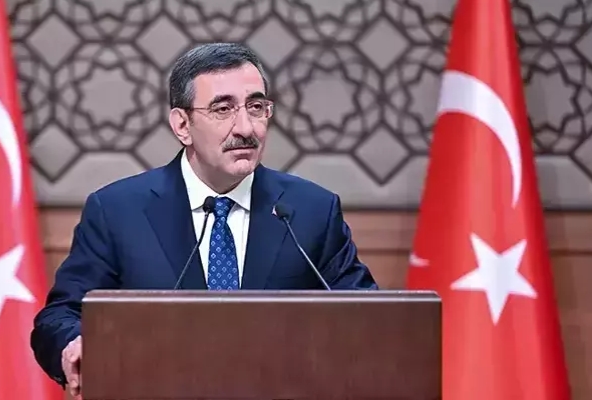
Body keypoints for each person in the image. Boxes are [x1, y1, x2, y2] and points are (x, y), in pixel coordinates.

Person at [30, 42, 378, 397]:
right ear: (182, 125)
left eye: (256, 107)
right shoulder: (118, 211)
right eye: (223, 109)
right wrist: (75, 343)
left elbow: (369, 317)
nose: (246, 127)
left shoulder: (311, 210)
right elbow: (61, 315)